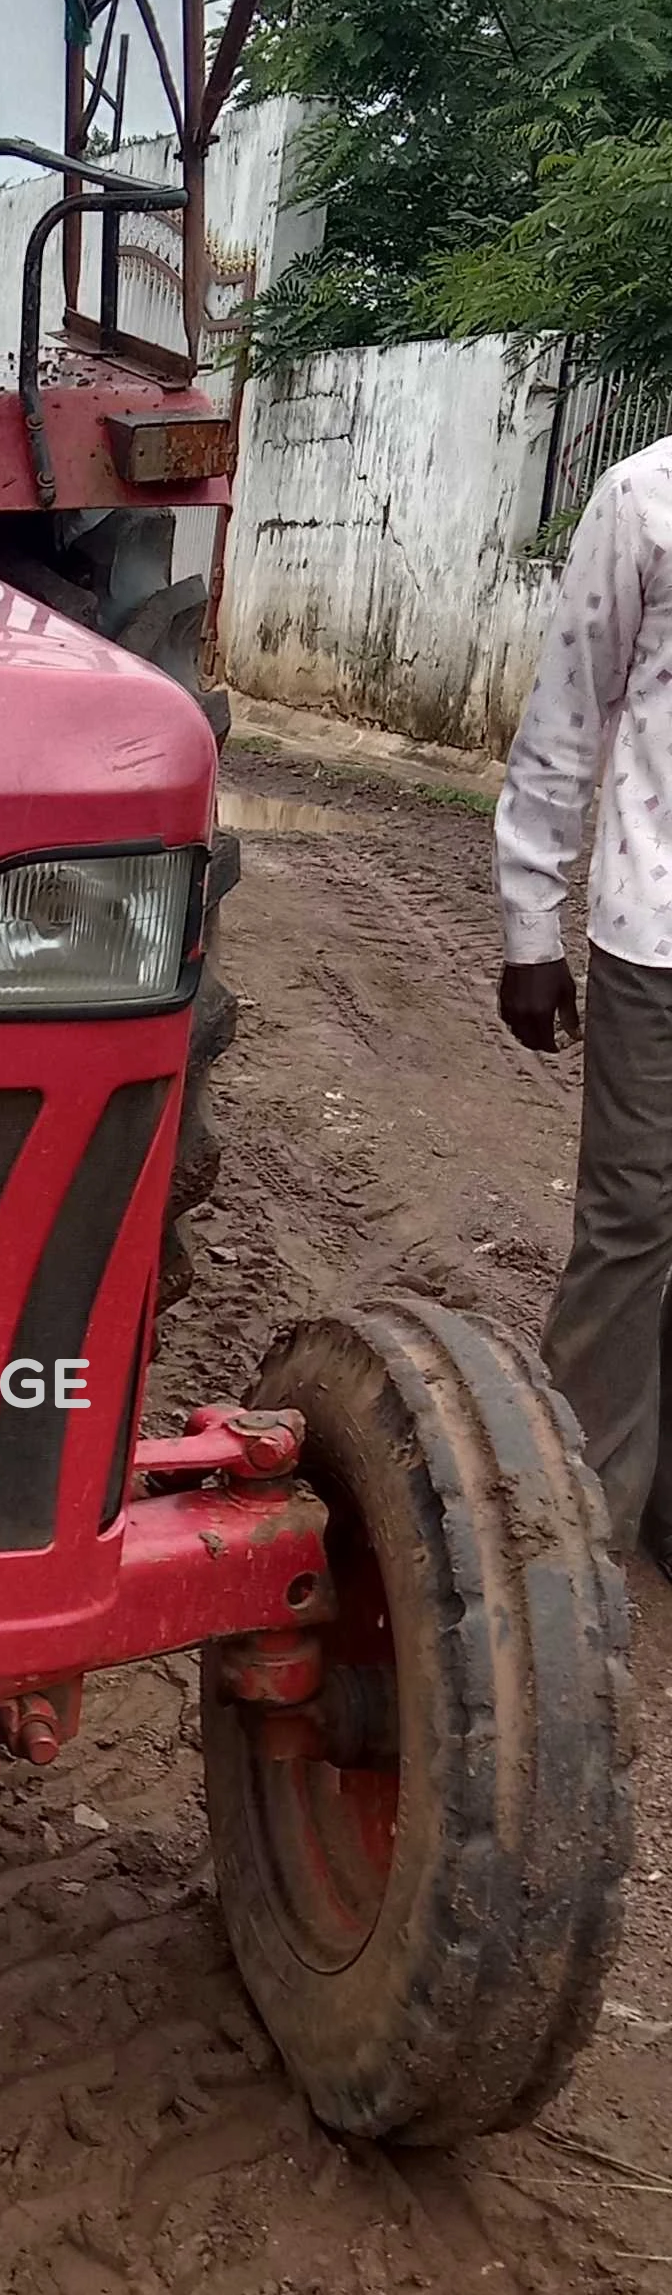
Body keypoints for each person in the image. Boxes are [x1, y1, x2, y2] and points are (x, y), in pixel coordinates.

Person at [496, 433, 672, 1562]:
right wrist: (530, 922)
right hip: (658, 938)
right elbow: (567, 715)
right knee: (635, 1224)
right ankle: (573, 1524)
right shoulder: (646, 495)